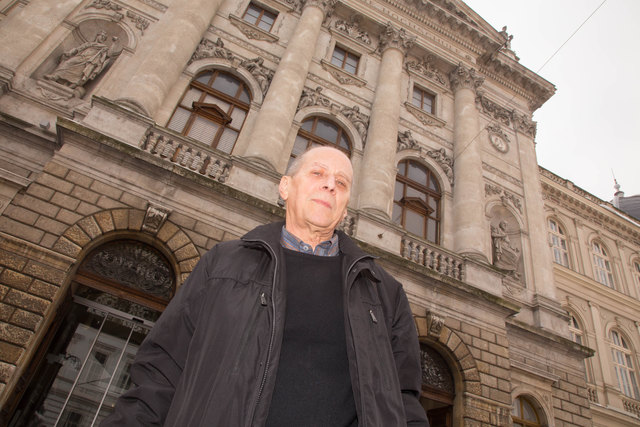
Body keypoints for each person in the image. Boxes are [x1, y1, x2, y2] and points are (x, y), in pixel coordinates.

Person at [102, 146, 429, 426]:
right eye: (317, 174)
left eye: (341, 183)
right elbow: (162, 368)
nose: (330, 185)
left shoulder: (383, 291)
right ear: (285, 187)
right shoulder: (223, 263)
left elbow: (404, 403)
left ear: (344, 208)